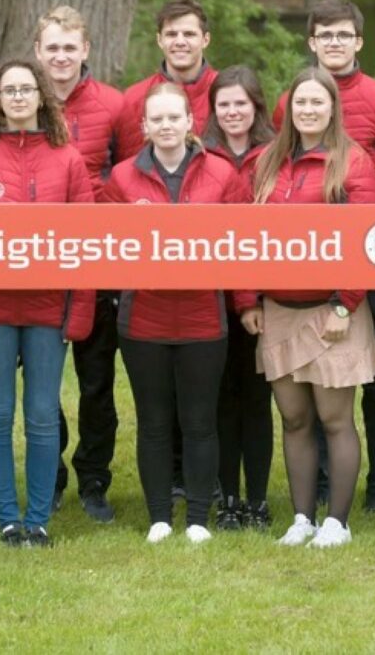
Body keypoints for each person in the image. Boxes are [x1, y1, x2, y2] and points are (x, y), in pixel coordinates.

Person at [0, 60, 95, 547]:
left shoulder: (67, 158)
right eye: (9, 90)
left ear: (41, 97)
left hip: (50, 311)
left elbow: (86, 244)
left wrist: (81, 313)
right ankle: (8, 516)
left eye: (27, 89)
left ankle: (39, 518)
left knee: (44, 413)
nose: (19, 97)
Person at [236, 69, 375, 549]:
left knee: (335, 418)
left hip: (332, 310)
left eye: (318, 102)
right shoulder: (267, 161)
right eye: (301, 103)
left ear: (333, 107)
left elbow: (365, 240)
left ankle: (337, 522)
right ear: (289, 109)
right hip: (278, 308)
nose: (309, 110)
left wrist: (346, 304)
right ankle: (302, 517)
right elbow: (244, 236)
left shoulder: (353, 162)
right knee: (294, 418)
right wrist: (247, 298)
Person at [273, 0, 375, 512]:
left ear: (358, 41)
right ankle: (320, 491)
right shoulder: (290, 106)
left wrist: (357, 286)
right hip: (294, 288)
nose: (333, 42)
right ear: (312, 41)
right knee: (310, 396)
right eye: (324, 34)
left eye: (342, 34)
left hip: (365, 269)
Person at [105, 82, 248, 545]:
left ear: (190, 122)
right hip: (144, 317)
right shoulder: (123, 177)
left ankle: (200, 519)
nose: (166, 126)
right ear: (144, 127)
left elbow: (245, 244)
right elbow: (105, 246)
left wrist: (245, 303)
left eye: (174, 118)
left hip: (204, 317)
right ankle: (160, 517)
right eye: (157, 120)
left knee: (200, 420)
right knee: (153, 420)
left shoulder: (223, 175)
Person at [33, 5, 125, 522]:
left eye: (70, 47)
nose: (61, 57)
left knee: (96, 381)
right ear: (39, 53)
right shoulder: (19, 103)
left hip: (97, 263)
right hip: (39, 266)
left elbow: (135, 173)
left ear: (85, 50)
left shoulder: (112, 105)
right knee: (44, 381)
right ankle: (51, 475)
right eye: (52, 48)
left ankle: (94, 478)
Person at [200, 65, 275, 531]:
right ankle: (227, 496)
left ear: (256, 107)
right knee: (222, 401)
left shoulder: (275, 153)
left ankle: (259, 499)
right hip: (212, 297)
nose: (232, 112)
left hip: (264, 299)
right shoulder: (198, 155)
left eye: (240, 104)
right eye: (223, 104)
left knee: (257, 400)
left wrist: (254, 297)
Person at [116, 0, 217, 162]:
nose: (180, 42)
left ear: (205, 40)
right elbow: (127, 164)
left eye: (189, 34)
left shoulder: (227, 94)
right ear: (159, 40)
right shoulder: (134, 99)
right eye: (171, 34)